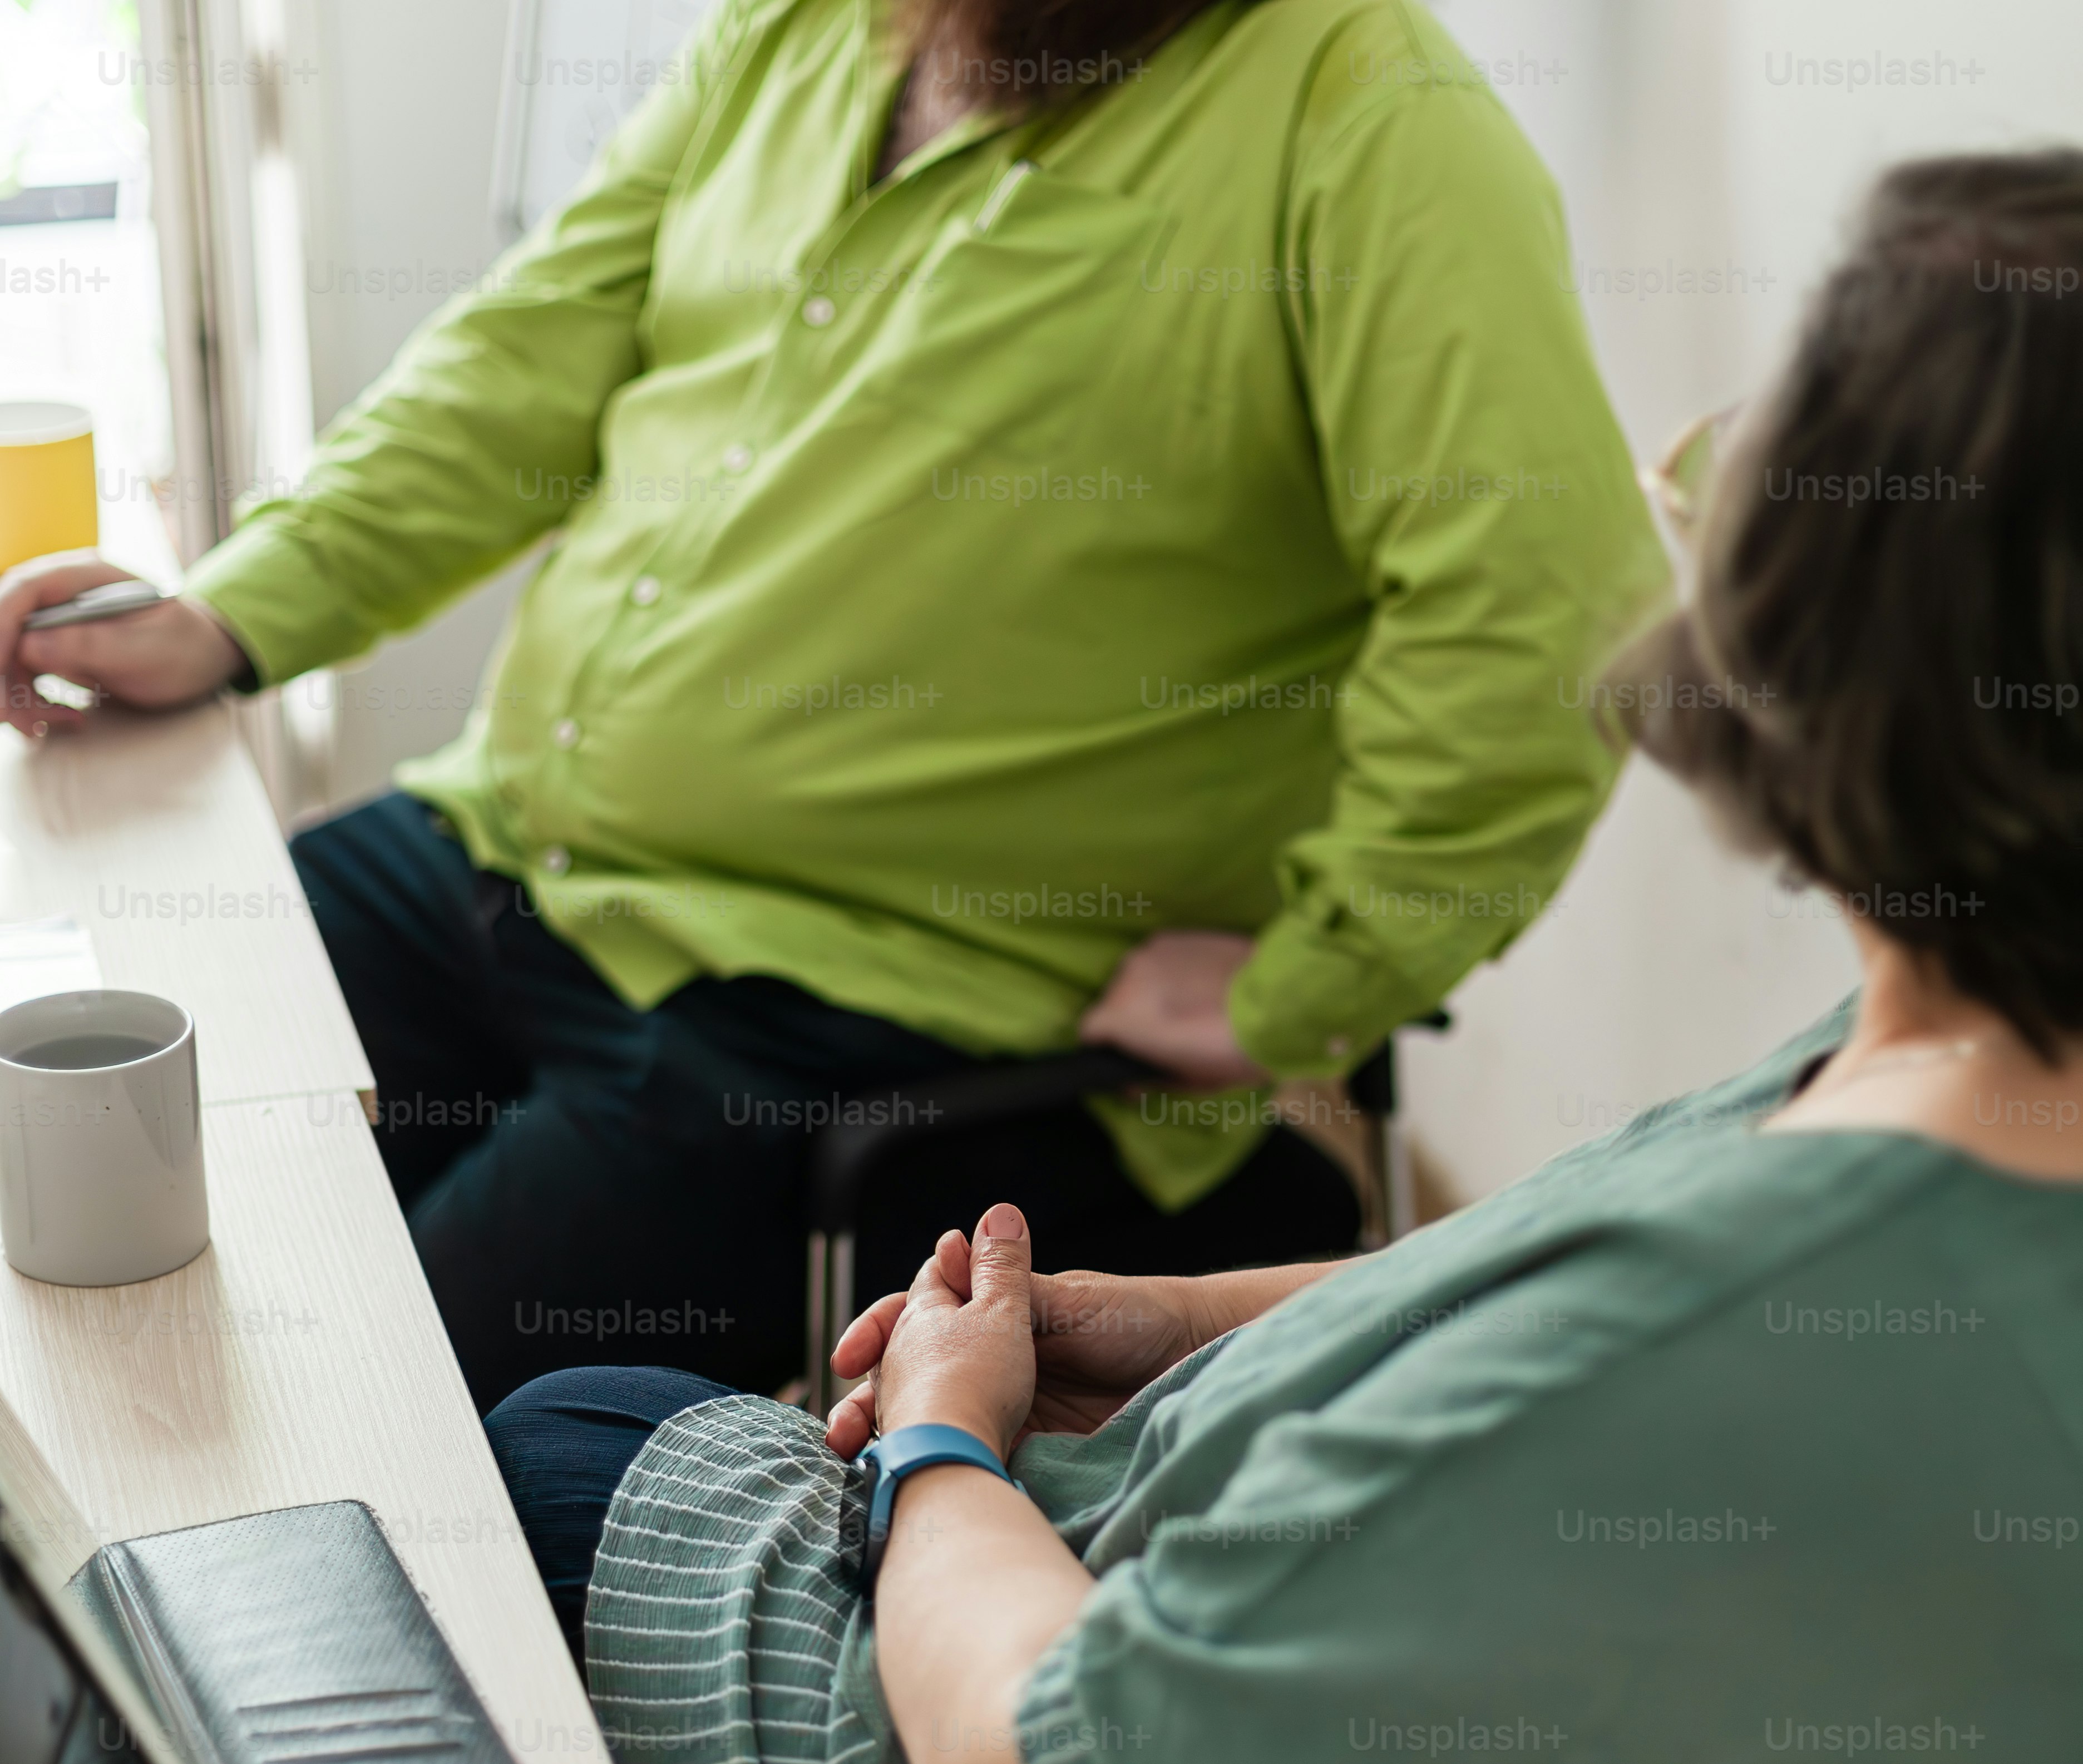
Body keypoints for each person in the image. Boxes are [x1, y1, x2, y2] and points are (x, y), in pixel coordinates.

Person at [478, 147, 2083, 1764]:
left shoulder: (1737, 1351)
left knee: (550, 1478)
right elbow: (1598, 1290)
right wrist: (1194, 1317)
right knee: (585, 1461)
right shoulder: (1992, 1086)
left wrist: (954, 1457)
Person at [0, 0, 1661, 1407]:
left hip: (843, 992)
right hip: (504, 835)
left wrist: (1314, 980)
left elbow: (1548, 618)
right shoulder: (802, 28)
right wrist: (234, 612)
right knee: (83, 1163)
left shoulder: (1367, 110)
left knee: (338, 1402)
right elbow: (525, 359)